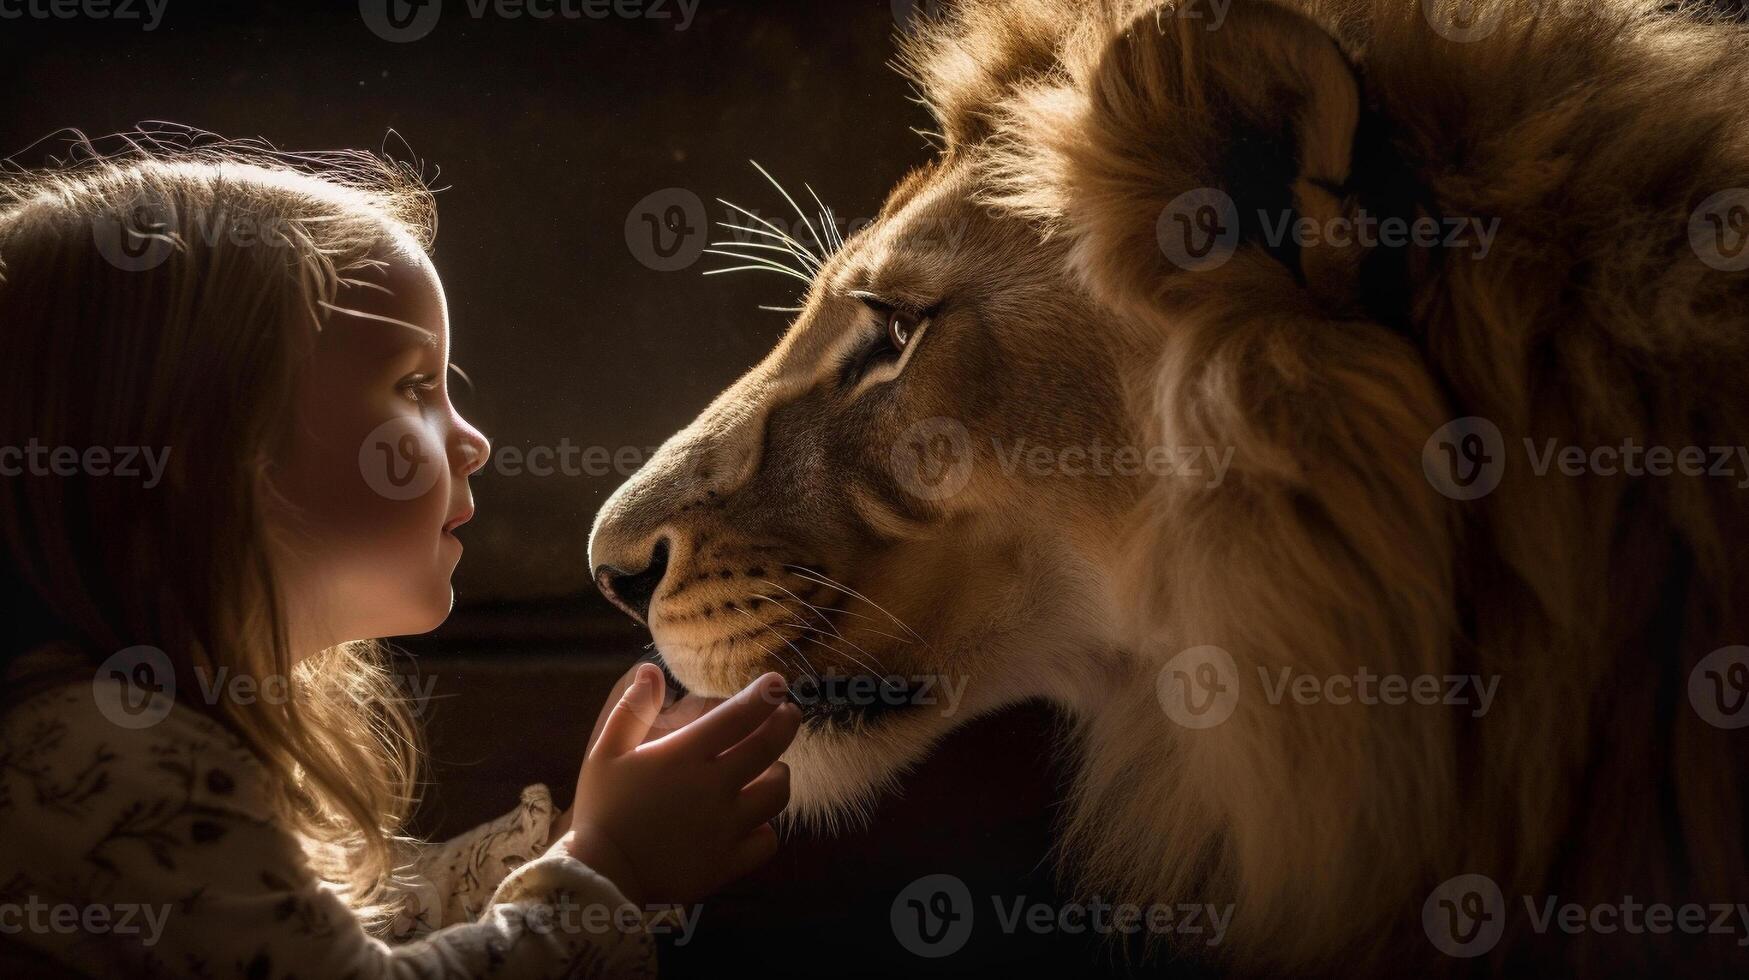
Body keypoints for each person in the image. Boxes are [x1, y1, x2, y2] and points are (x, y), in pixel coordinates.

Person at [0, 136, 801, 977]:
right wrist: (611, 869)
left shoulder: (141, 736)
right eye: (415, 387)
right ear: (212, 450)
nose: (476, 441)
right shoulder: (105, 761)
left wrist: (589, 838)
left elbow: (380, 927)